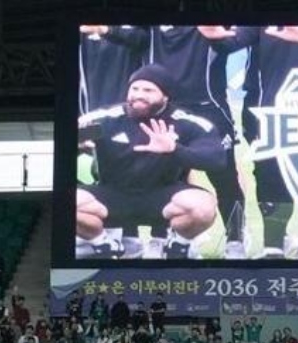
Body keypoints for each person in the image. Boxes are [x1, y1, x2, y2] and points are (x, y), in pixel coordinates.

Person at [73, 65, 227, 254]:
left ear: (165, 96)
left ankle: (179, 246)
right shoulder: (104, 119)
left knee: (203, 207)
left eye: (148, 90)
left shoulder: (188, 123)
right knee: (65, 201)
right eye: (134, 89)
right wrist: (78, 145)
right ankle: (103, 244)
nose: (139, 95)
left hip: (164, 197)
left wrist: (174, 149)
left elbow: (217, 160)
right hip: (112, 194)